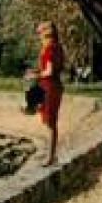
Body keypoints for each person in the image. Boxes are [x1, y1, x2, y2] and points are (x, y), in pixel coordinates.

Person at [35, 21, 64, 166]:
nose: (39, 35)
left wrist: (37, 75)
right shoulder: (57, 47)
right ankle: (50, 154)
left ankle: (51, 157)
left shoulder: (50, 48)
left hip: (49, 86)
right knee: (49, 122)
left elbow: (50, 71)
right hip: (52, 85)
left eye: (40, 32)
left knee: (50, 122)